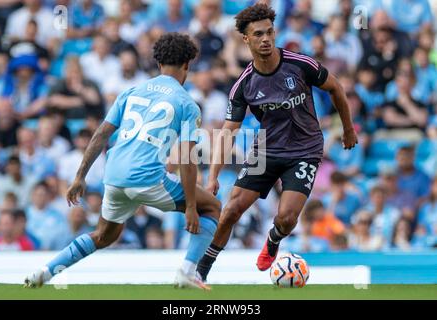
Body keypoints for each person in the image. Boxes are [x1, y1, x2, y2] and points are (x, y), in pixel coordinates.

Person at [24, 33, 221, 290]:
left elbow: (101, 134)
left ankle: (45, 272)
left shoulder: (131, 91)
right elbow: (185, 157)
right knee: (213, 207)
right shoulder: (187, 103)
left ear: (159, 63)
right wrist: (192, 206)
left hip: (114, 174)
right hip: (148, 177)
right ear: (187, 65)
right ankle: (188, 271)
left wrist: (80, 176)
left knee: (104, 235)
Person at [196, 3, 357, 282]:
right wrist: (212, 176)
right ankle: (199, 272)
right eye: (258, 34)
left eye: (269, 32)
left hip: (304, 151)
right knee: (231, 209)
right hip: (266, 152)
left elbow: (336, 88)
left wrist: (348, 129)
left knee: (285, 219)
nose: (266, 39)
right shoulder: (244, 85)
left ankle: (273, 239)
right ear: (246, 39)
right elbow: (227, 133)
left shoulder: (300, 64)